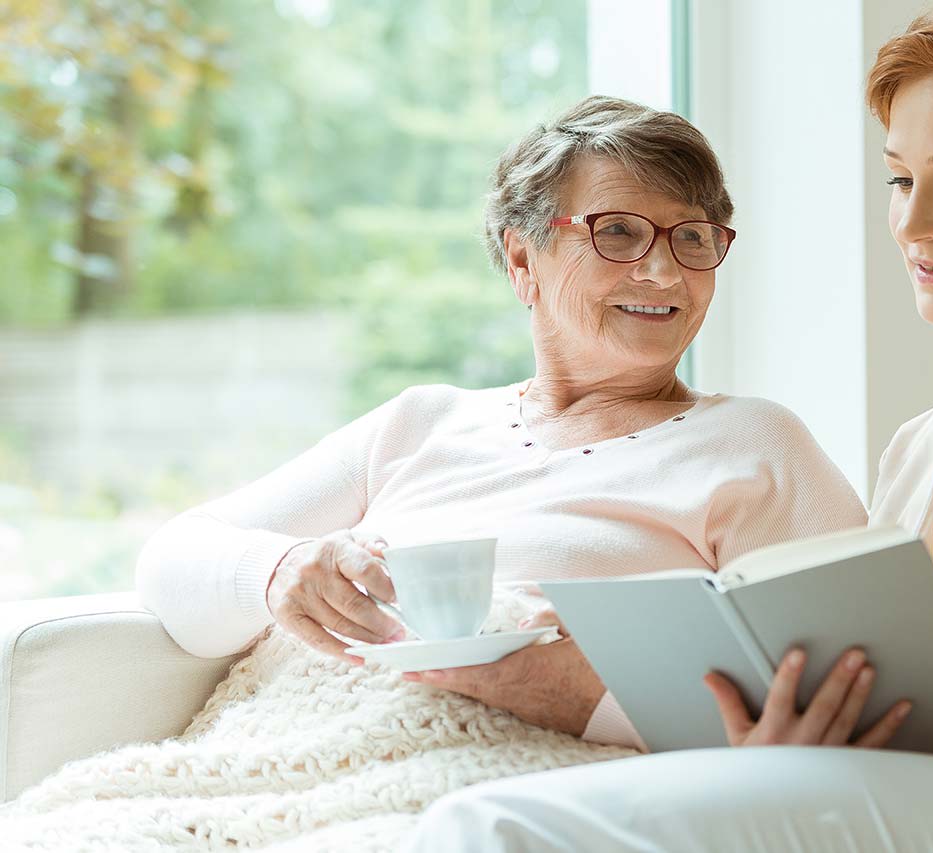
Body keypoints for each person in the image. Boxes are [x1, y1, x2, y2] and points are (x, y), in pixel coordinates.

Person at [404, 2, 933, 850]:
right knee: (491, 811)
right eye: (902, 179)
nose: (913, 222)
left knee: (487, 827)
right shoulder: (920, 446)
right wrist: (801, 726)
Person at [136, 95, 881, 746]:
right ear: (523, 260)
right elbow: (174, 562)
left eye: (692, 238)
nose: (664, 273)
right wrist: (276, 573)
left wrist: (578, 694)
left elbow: (861, 676)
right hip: (283, 757)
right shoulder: (422, 423)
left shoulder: (753, 444)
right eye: (618, 233)